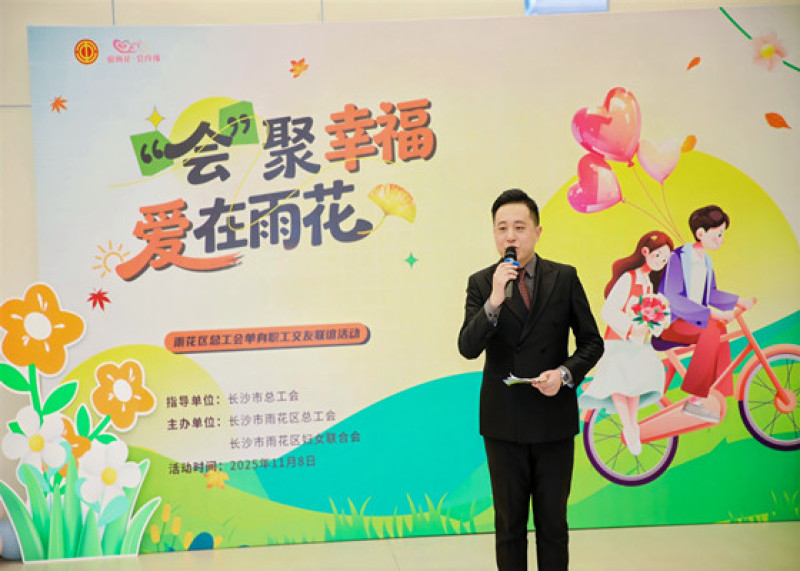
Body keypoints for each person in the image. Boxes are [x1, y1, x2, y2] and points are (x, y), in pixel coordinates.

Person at [458, 188, 603, 571]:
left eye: (519, 227)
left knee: (553, 524)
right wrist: (494, 300)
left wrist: (565, 373)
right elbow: (467, 347)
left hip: (552, 418)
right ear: (494, 233)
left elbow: (592, 342)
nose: (510, 236)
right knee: (509, 526)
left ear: (537, 232)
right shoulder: (481, 283)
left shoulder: (564, 277)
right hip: (503, 422)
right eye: (502, 228)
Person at [653, 205, 756, 422]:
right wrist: (711, 315)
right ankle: (694, 401)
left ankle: (718, 393)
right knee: (711, 329)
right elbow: (673, 298)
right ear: (701, 233)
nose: (722, 240)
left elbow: (711, 293)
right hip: (671, 323)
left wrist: (739, 301)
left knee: (719, 329)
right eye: (718, 234)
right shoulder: (678, 258)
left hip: (691, 322)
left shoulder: (706, 261)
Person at [578, 231, 674, 455]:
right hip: (618, 342)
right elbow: (608, 311)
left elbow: (651, 312)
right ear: (645, 252)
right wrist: (631, 327)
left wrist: (654, 324)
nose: (661, 261)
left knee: (635, 385)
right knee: (620, 384)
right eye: (658, 255)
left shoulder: (648, 283)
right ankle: (629, 426)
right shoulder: (628, 278)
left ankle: (632, 424)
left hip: (637, 344)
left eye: (665, 259)